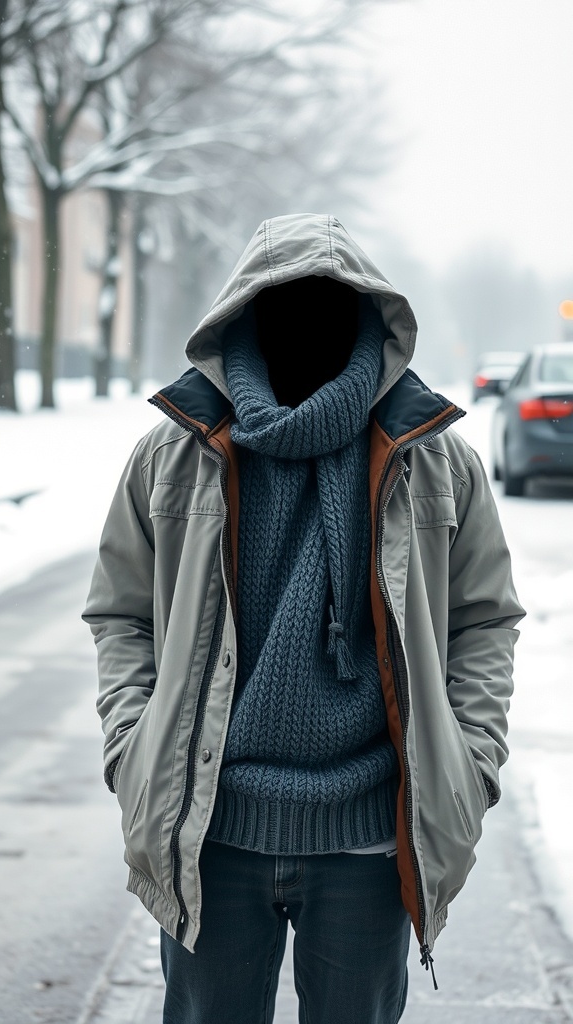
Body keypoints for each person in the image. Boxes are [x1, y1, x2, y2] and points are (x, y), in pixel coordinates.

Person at [83, 213, 525, 1024]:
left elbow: (484, 620)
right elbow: (119, 612)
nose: (305, 324)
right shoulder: (174, 451)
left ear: (369, 318)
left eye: (329, 305)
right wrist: (132, 744)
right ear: (242, 316)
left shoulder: (430, 453)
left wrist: (473, 758)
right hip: (208, 837)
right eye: (283, 305)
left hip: (368, 842)